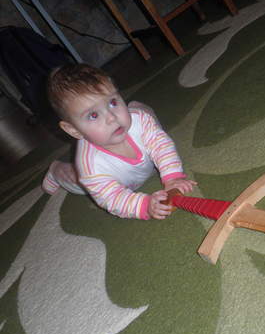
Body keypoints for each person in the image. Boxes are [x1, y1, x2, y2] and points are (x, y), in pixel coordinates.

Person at [42, 63, 196, 220]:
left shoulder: (139, 122)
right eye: (93, 115)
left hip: (139, 125)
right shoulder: (90, 168)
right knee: (75, 180)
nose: (111, 117)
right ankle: (55, 171)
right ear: (74, 130)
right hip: (108, 177)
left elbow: (161, 146)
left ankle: (135, 106)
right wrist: (145, 205)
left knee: (146, 120)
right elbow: (112, 199)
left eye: (113, 102)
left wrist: (172, 177)